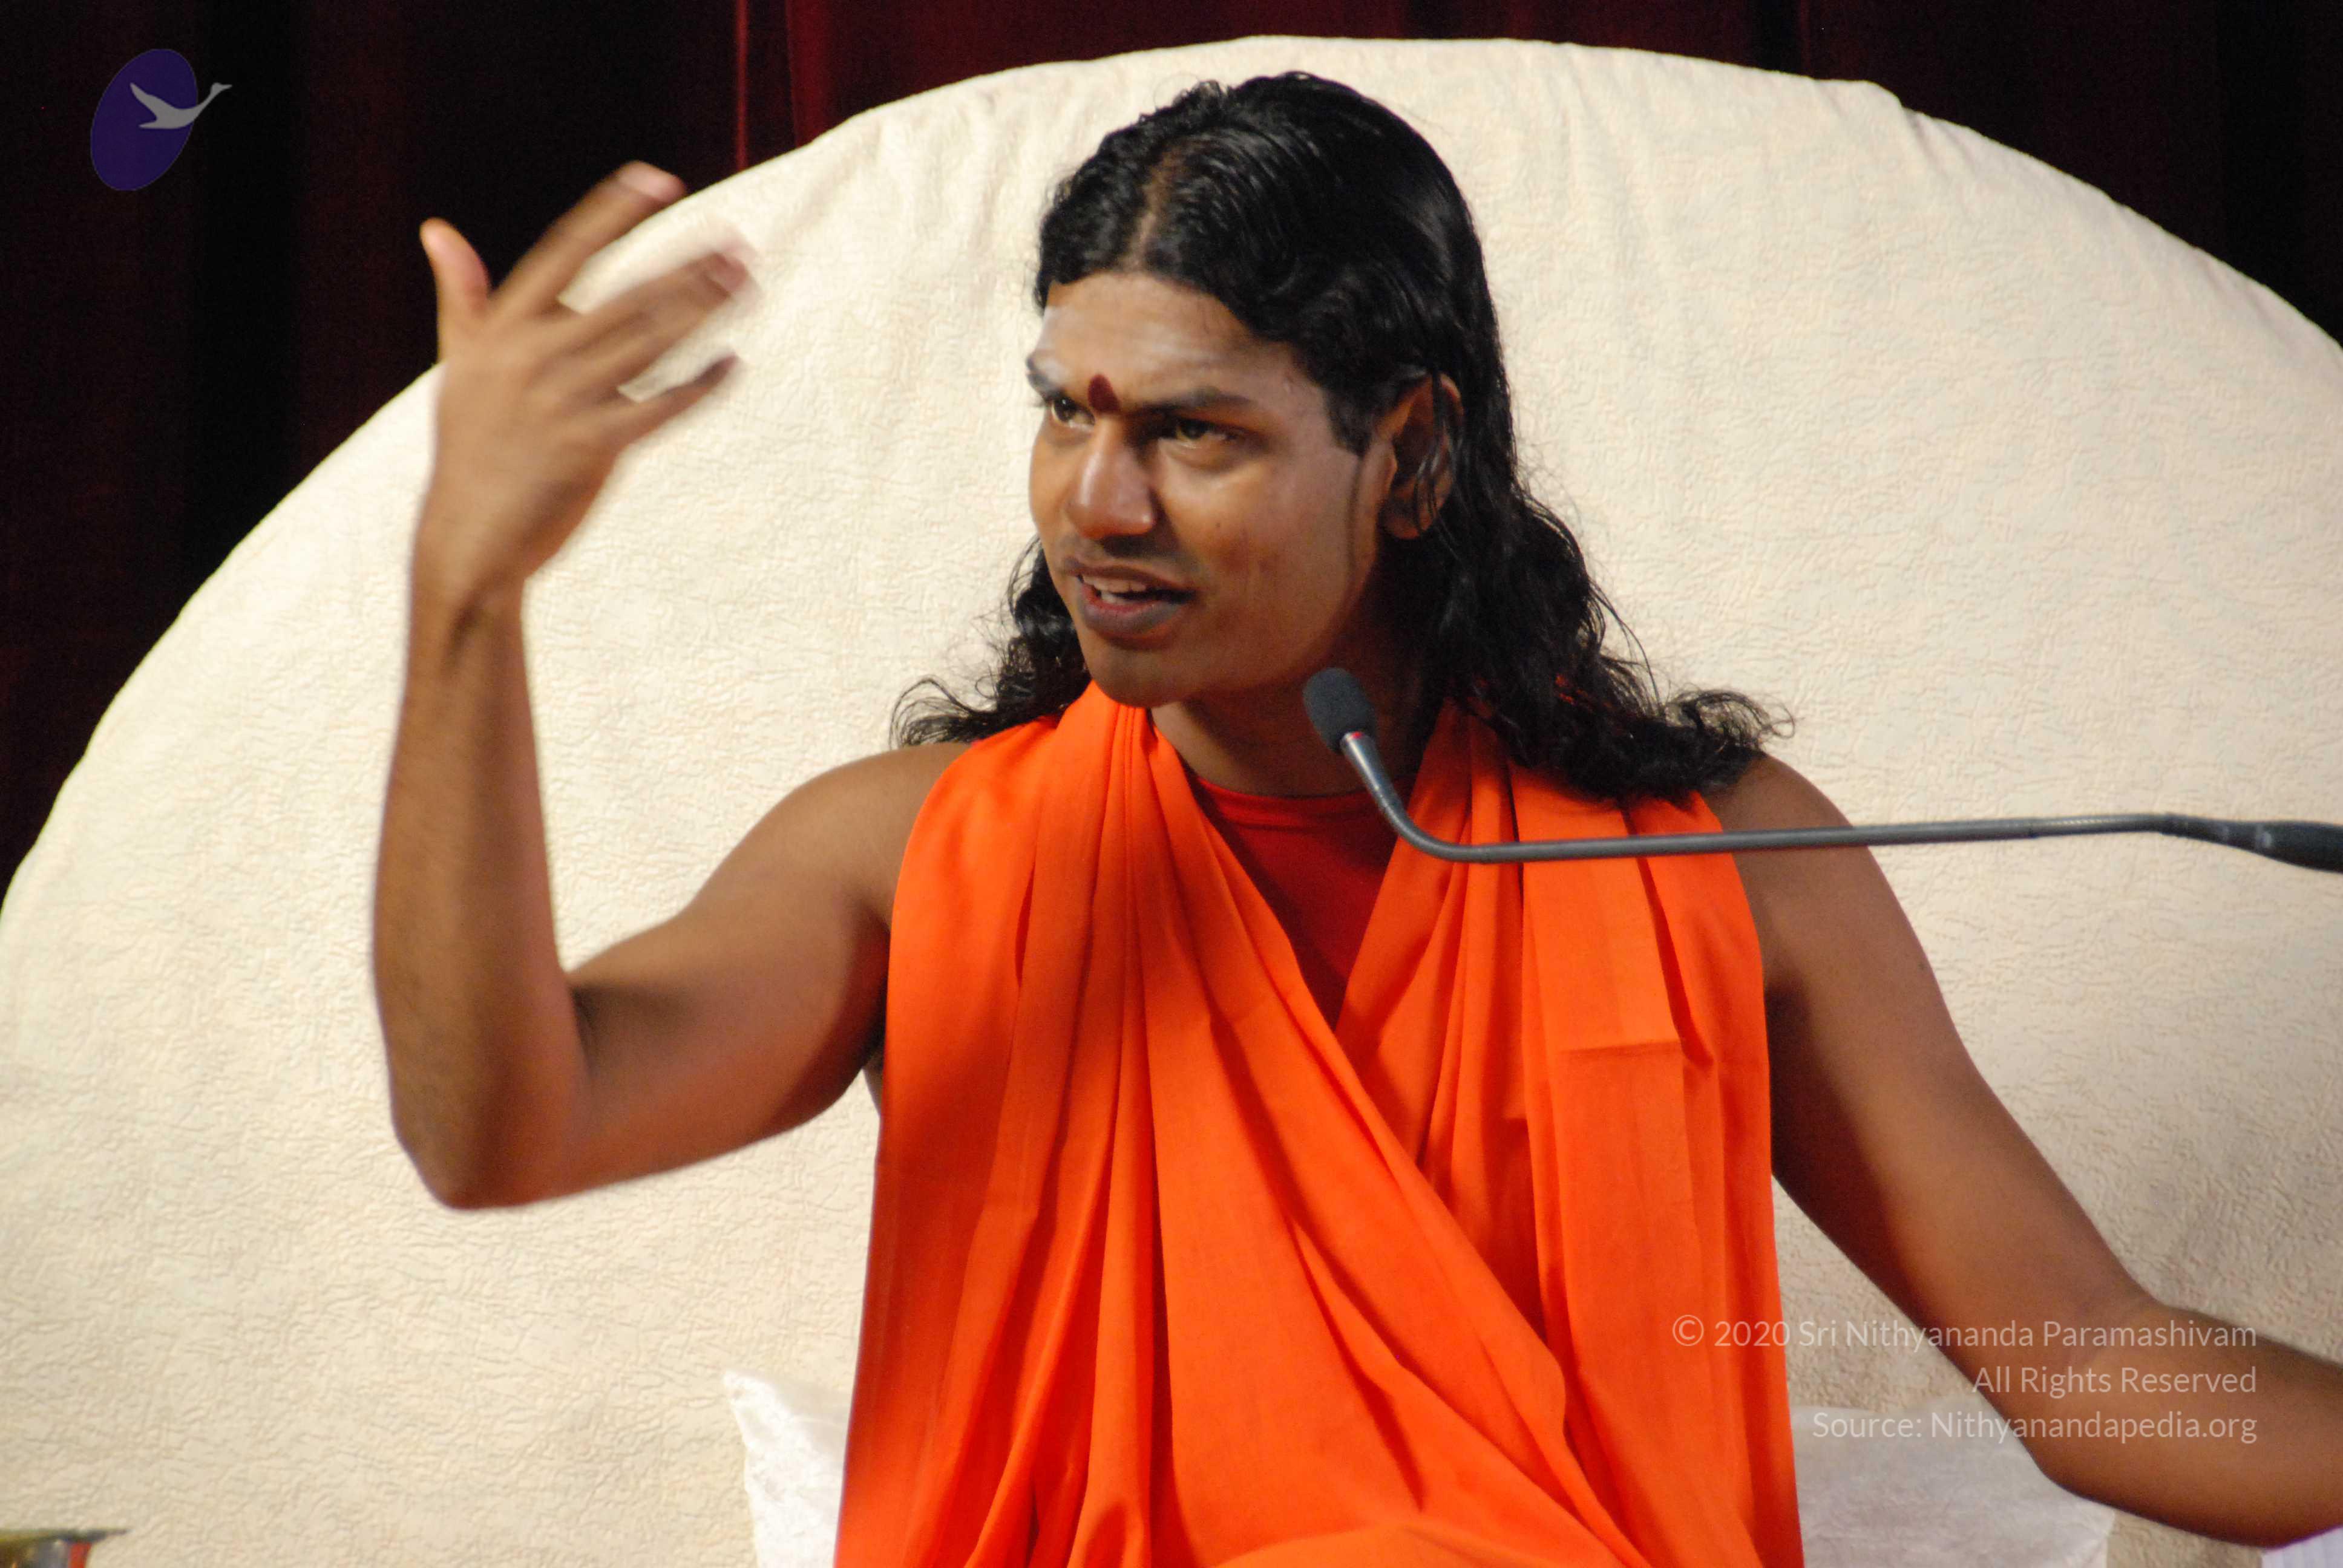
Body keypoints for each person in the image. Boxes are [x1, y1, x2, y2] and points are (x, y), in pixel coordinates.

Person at [375, 73, 2343, 1565]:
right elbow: (503, 1129)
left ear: (1408, 453)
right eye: (1067, 410)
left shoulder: (1720, 860)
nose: (1096, 505)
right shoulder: (906, 860)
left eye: (1193, 433)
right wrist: (467, 599)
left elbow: (2089, 1366)